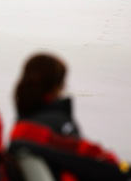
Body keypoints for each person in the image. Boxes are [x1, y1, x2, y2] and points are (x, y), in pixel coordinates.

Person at [9, 53, 131, 181]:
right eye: (62, 81)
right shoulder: (55, 126)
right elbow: (90, 156)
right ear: (56, 86)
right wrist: (123, 169)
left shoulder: (20, 127)